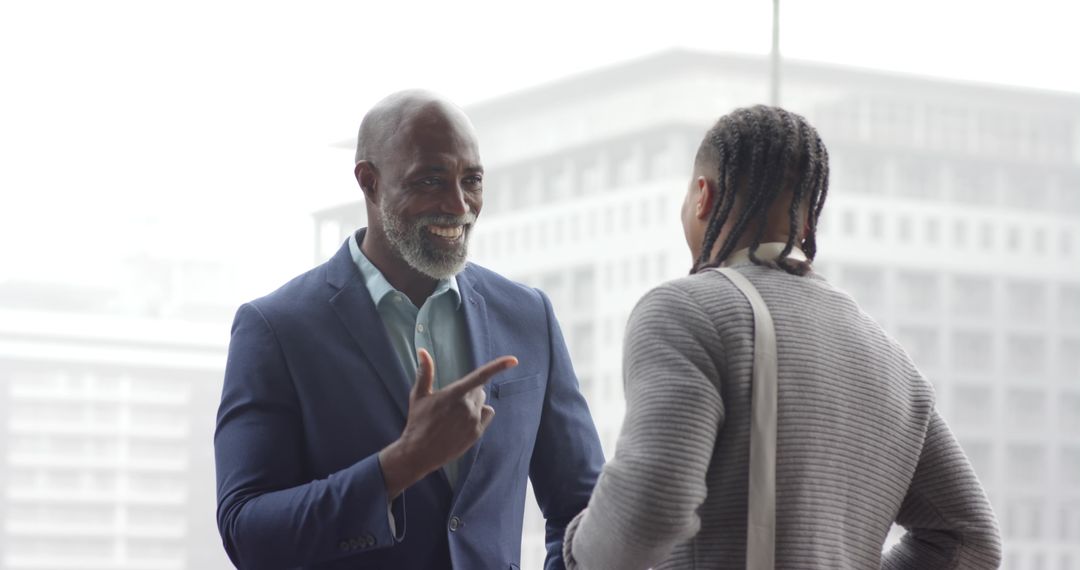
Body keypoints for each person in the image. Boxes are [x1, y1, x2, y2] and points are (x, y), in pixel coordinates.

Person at [563, 105, 1002, 569]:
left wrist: (577, 548)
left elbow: (653, 505)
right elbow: (971, 540)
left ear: (701, 197)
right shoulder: (893, 363)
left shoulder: (684, 312)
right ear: (807, 221)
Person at [215, 90, 604, 570]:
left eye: (472, 180)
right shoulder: (276, 328)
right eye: (431, 180)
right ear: (369, 182)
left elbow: (584, 512)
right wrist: (400, 464)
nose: (459, 204)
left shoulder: (528, 316)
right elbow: (245, 531)